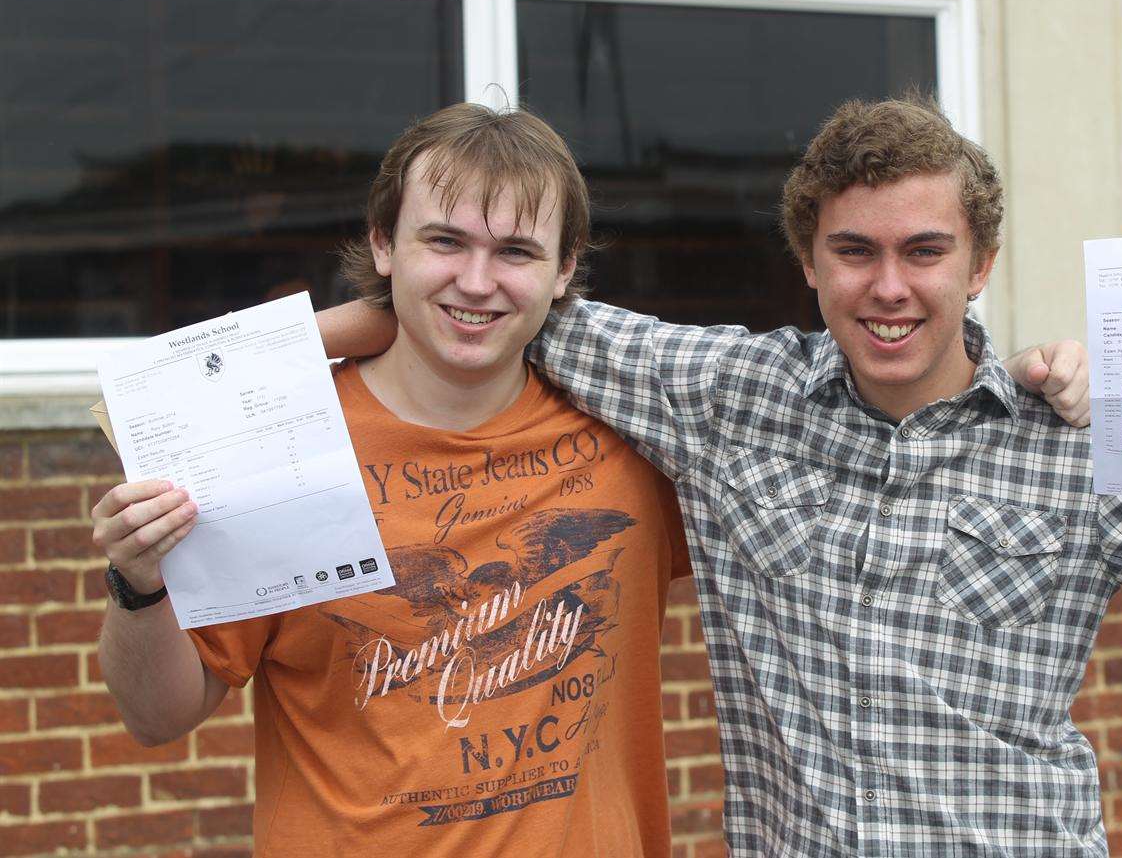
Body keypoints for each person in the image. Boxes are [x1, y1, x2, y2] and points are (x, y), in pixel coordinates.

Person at [321, 95, 1122, 857]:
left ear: (979, 264)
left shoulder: (1080, 439)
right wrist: (319, 340)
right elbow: (487, 305)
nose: (887, 286)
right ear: (808, 261)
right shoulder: (724, 395)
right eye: (854, 251)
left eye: (923, 251)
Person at [92, 104, 695, 856]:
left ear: (565, 267)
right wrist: (138, 581)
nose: (476, 281)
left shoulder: (638, 441)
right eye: (444, 241)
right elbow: (157, 715)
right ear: (383, 242)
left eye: (515, 251)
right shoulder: (280, 449)